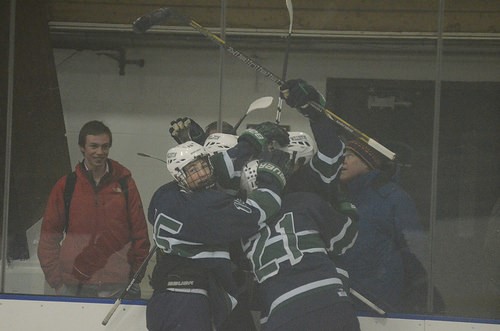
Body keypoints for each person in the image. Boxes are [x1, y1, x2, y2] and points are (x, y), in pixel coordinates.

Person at [146, 135, 291, 330]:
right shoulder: (206, 207)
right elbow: (256, 213)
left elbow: (214, 170)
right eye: (194, 170)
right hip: (187, 299)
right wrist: (271, 178)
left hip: (162, 298)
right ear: (179, 174)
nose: (203, 173)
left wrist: (248, 143)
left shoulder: (163, 195)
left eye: (204, 165)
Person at [37, 120, 151, 298]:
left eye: (105, 147)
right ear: (82, 147)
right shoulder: (67, 185)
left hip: (117, 284)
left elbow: (140, 234)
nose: (100, 152)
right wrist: (58, 283)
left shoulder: (125, 183)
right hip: (74, 286)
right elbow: (48, 238)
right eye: (94, 146)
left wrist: (135, 278)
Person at [336, 139, 428, 312]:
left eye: (350, 155)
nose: (343, 160)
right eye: (341, 155)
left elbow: (416, 250)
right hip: (344, 301)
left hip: (381, 304)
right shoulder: (335, 199)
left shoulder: (393, 197)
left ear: (368, 162)